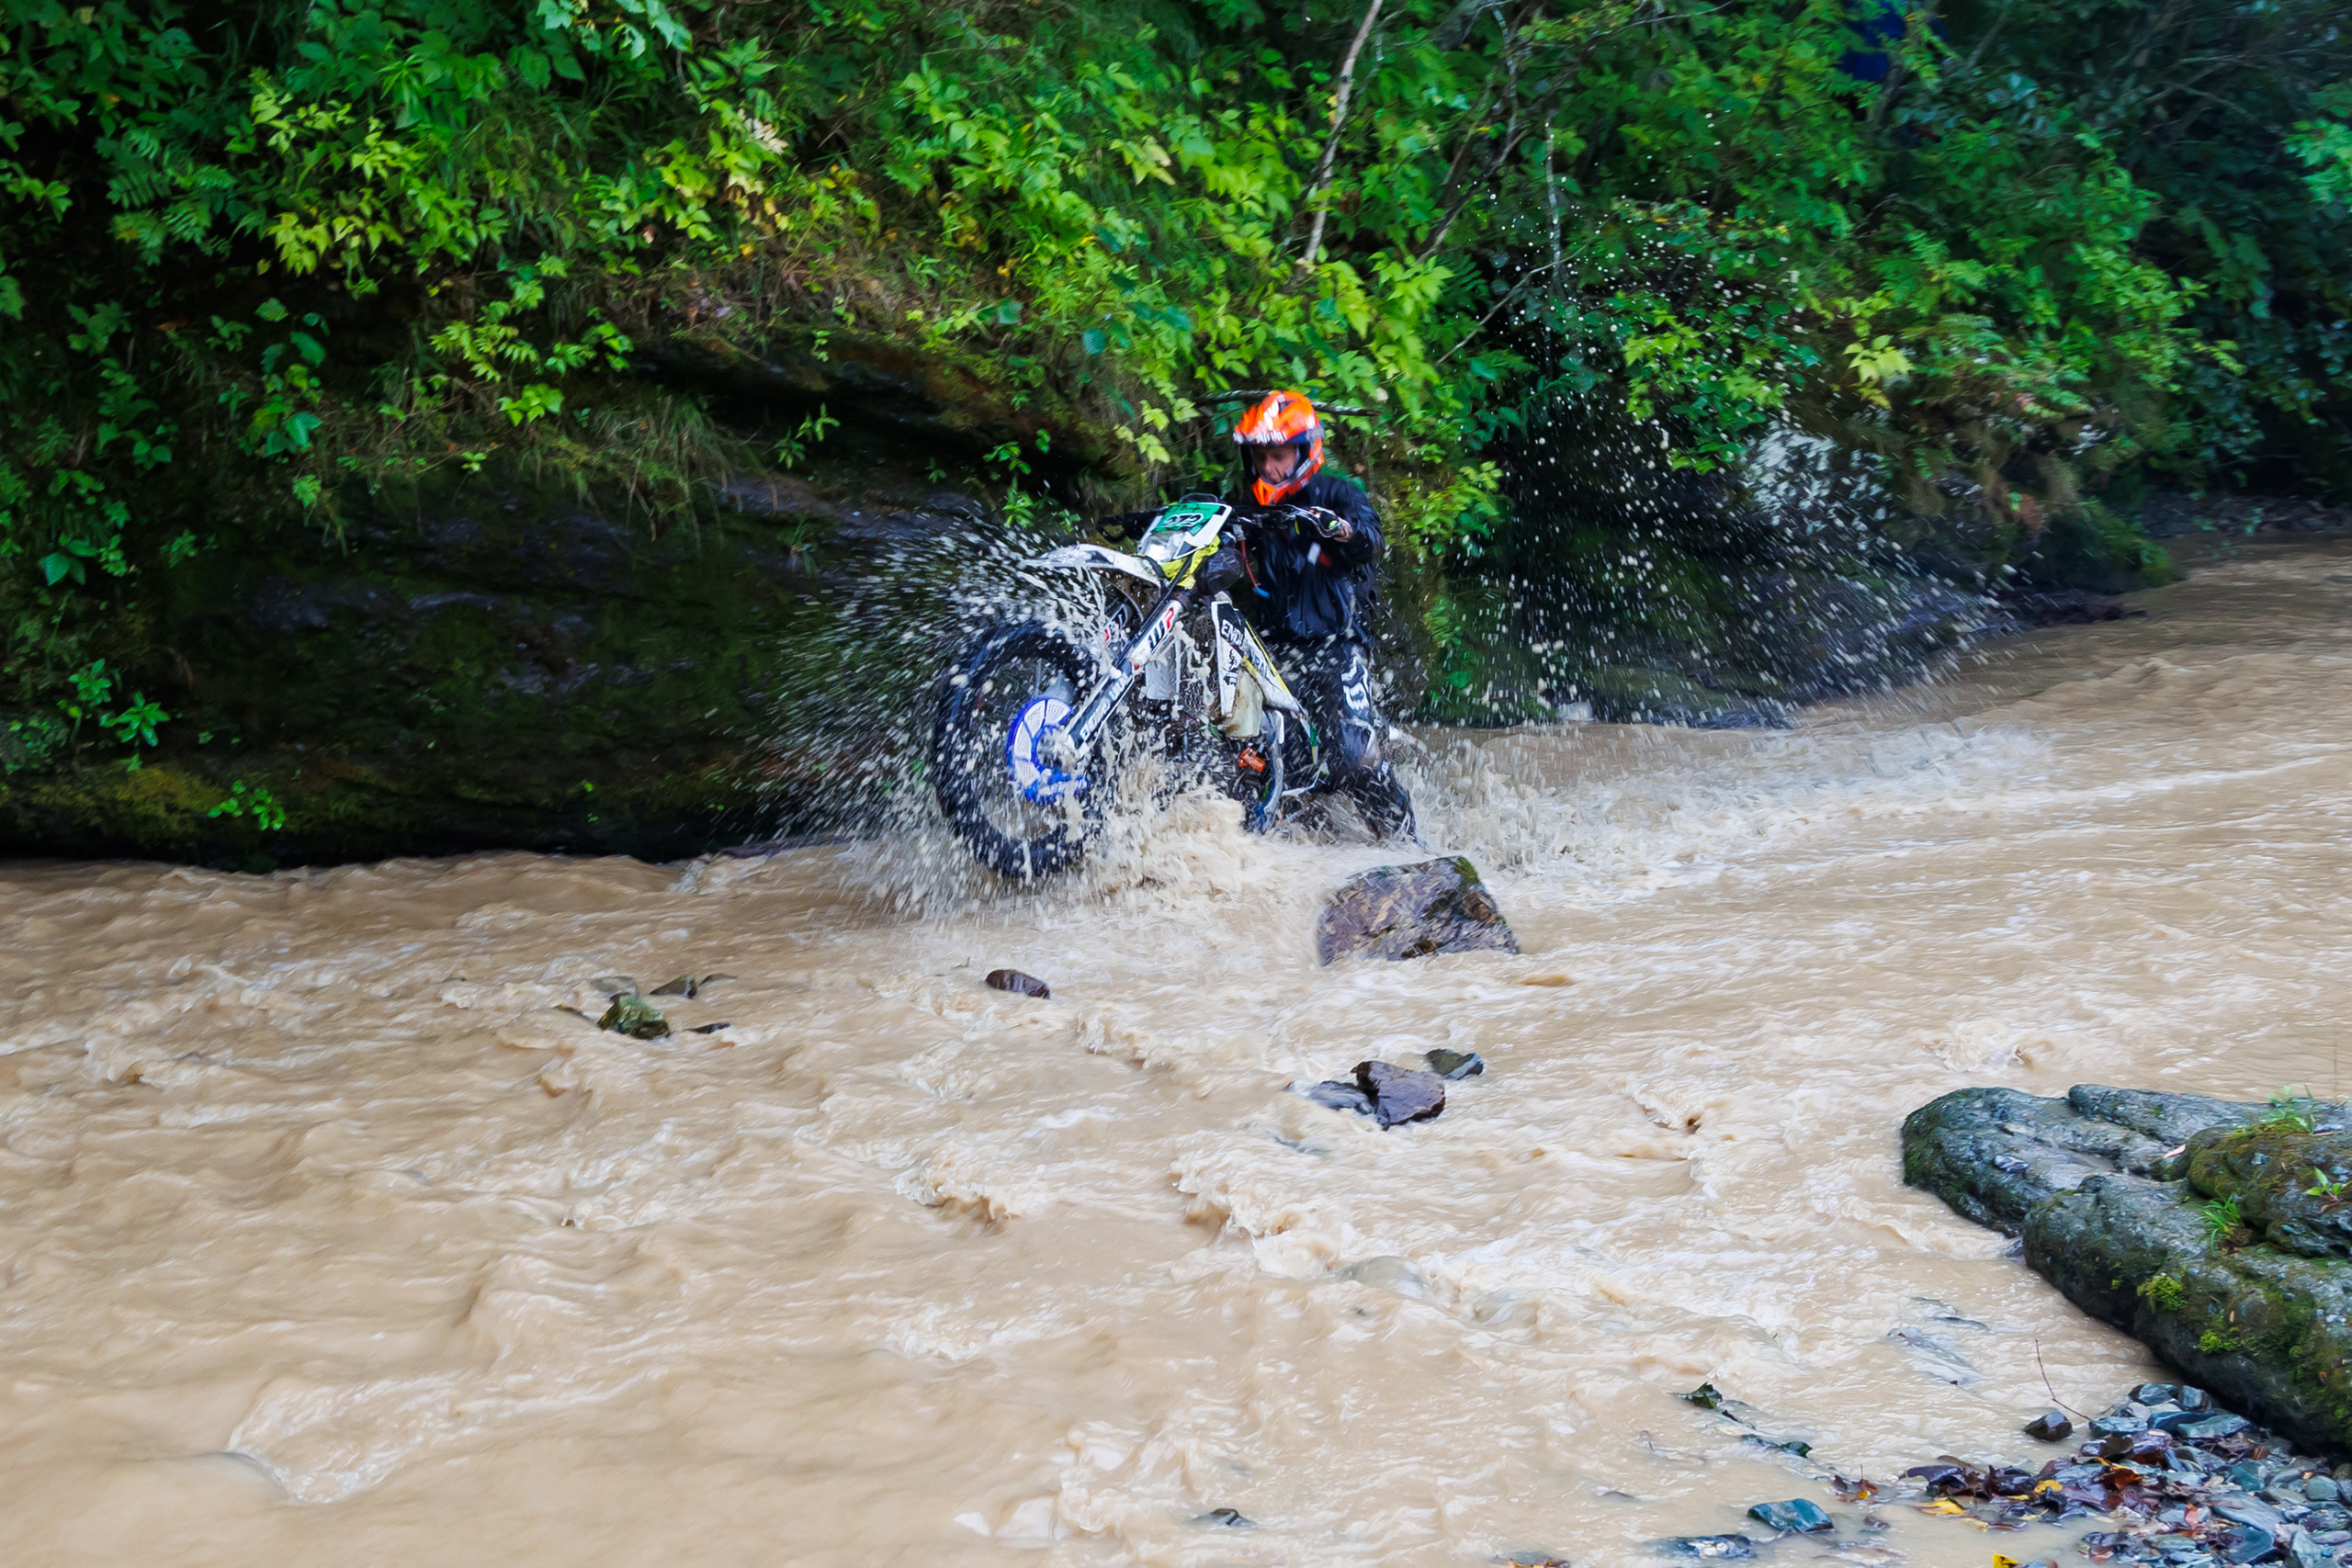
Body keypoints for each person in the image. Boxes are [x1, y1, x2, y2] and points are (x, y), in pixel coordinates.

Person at [1203, 389, 1416, 840]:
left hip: (1339, 646)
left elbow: (1371, 541)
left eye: (1278, 455)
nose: (1269, 467)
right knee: (1256, 755)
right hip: (1273, 650)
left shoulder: (1339, 494)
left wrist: (1338, 528)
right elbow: (1215, 532)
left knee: (1352, 757)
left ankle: (1409, 847)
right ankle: (1287, 849)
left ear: (1303, 451)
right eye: (1261, 457)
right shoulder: (1248, 504)